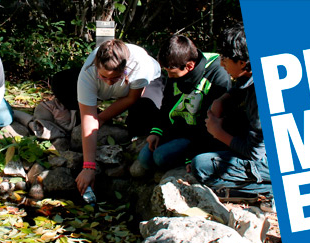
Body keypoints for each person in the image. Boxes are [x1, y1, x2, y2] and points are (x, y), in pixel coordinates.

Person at [188, 25, 272, 204]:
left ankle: (269, 190)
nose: (221, 63)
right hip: (258, 142)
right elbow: (239, 89)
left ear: (242, 62)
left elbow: (254, 153)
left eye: (225, 59)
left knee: (201, 166)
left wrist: (219, 132)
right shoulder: (252, 71)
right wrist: (222, 100)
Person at [132, 35, 231, 176]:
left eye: (171, 73)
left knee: (160, 158)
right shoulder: (176, 69)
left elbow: (212, 123)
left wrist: (191, 155)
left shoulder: (217, 75)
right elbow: (166, 104)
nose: (169, 77)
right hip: (177, 129)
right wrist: (157, 131)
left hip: (200, 135)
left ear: (189, 66)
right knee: (145, 159)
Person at [73, 39, 162, 193]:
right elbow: (88, 119)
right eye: (103, 77)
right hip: (115, 91)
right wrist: (88, 166)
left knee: (141, 117)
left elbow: (131, 98)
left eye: (114, 78)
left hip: (148, 84)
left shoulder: (140, 65)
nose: (108, 82)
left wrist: (101, 118)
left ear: (125, 69)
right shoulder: (88, 71)